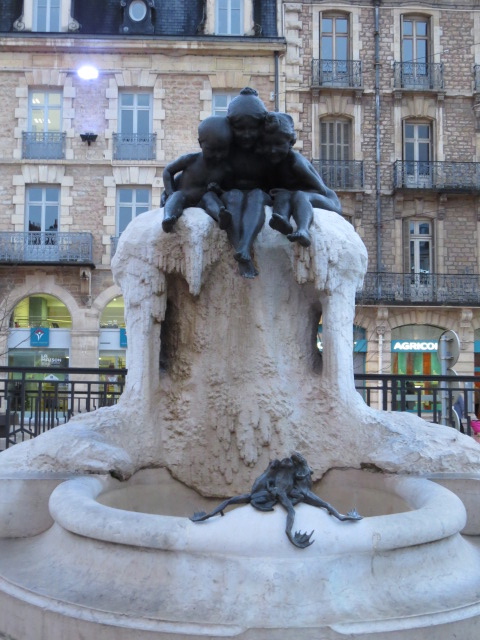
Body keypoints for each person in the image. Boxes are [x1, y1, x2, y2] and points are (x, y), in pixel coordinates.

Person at [260, 112, 342, 247]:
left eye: (278, 144)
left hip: (326, 200)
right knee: (282, 195)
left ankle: (303, 230)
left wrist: (290, 193)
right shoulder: (269, 163)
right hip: (294, 196)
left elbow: (320, 190)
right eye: (267, 145)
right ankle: (282, 220)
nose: (272, 150)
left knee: (299, 195)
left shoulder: (296, 163)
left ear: (291, 143)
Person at [221, 87, 272, 278]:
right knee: (234, 196)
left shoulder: (269, 150)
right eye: (240, 128)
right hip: (231, 195)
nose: (247, 134)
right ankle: (241, 252)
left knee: (256, 196)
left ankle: (244, 247)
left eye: (253, 128)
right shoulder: (224, 149)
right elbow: (200, 169)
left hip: (260, 195)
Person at [161, 116, 233, 232]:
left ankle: (221, 216)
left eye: (222, 150)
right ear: (200, 144)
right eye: (211, 150)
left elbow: (228, 190)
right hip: (184, 199)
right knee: (177, 196)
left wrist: (218, 190)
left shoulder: (224, 169)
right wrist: (170, 193)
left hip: (202, 203)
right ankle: (169, 218)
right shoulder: (190, 160)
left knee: (210, 197)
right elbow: (168, 171)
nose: (217, 155)